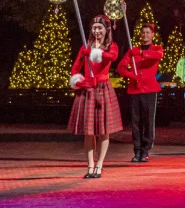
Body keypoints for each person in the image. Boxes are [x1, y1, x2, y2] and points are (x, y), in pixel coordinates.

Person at [68, 15, 121, 178]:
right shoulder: (85, 46)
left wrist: (93, 52)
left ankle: (99, 165)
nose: (96, 31)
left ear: (106, 30)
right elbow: (75, 68)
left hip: (102, 88)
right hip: (88, 89)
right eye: (94, 28)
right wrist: (78, 80)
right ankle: (90, 165)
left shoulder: (111, 46)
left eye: (100, 28)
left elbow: (113, 57)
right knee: (89, 131)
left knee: (103, 131)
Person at [117, 22, 164, 164]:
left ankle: (145, 150)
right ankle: (137, 150)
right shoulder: (132, 51)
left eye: (148, 32)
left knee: (148, 121)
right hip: (135, 89)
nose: (145, 35)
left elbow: (157, 56)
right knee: (136, 122)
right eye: (143, 32)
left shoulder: (156, 48)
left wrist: (142, 54)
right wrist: (132, 75)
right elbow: (120, 68)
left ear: (152, 35)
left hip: (150, 90)